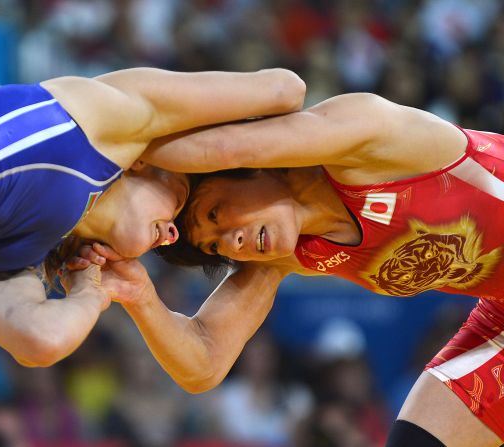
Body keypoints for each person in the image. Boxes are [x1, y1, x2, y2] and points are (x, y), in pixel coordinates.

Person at [0, 67, 306, 446]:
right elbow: (284, 88)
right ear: (150, 163)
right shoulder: (111, 120)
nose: (168, 234)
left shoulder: (15, 250)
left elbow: (41, 340)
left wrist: (88, 289)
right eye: (181, 204)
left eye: (171, 242)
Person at [68, 92, 504, 446]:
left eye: (217, 213)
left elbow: (226, 142)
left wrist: (107, 161)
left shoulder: (359, 138)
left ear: (246, 166)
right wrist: (141, 298)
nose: (233, 242)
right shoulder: (286, 252)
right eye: (217, 245)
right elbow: (203, 363)